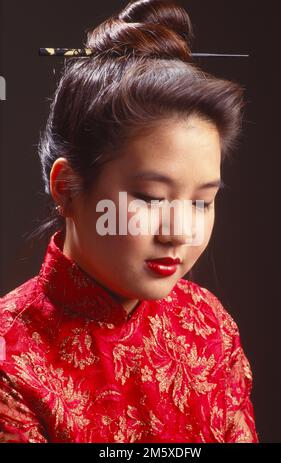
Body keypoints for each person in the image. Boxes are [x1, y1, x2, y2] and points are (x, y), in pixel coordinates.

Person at [0, 0, 259, 443]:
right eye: (151, 198)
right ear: (66, 187)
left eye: (202, 203)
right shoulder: (11, 361)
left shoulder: (209, 323)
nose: (181, 231)